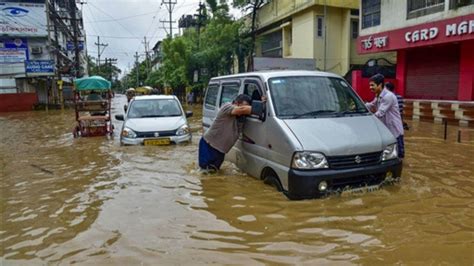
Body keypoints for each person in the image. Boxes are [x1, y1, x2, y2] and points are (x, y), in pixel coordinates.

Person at [198, 94, 254, 171]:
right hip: (209, 146)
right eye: (243, 106)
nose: (244, 110)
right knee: (205, 172)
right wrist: (263, 108)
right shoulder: (227, 107)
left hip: (221, 150)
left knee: (214, 173)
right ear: (236, 103)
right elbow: (242, 110)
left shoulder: (240, 118)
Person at [366, 74, 405, 158]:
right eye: (370, 85)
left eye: (372, 85)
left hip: (394, 130)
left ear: (380, 85)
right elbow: (372, 104)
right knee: (388, 155)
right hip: (386, 129)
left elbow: (380, 113)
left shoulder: (388, 96)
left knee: (398, 156)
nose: (370, 87)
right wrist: (360, 105)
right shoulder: (378, 95)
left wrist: (367, 120)